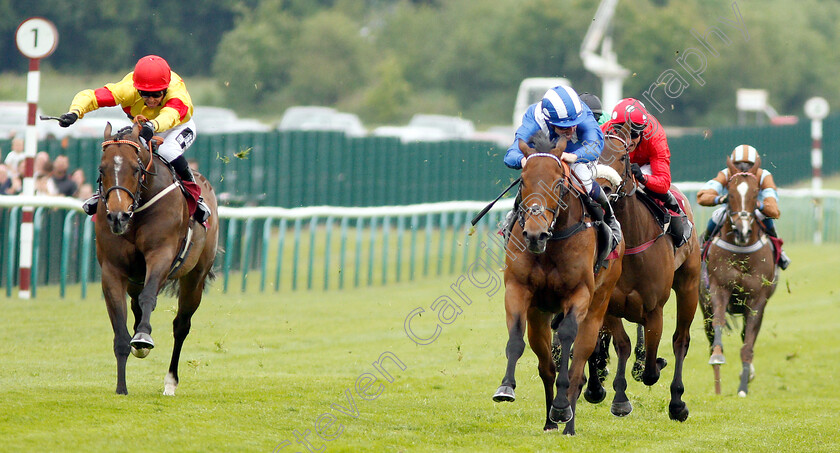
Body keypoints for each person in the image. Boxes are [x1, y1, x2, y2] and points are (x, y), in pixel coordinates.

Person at [57, 55, 210, 223]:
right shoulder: (126, 89)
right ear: (137, 89)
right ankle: (102, 195)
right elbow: (92, 97)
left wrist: (152, 126)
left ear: (165, 90)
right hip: (146, 127)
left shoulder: (177, 92)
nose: (151, 100)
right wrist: (75, 112)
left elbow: (170, 115)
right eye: (145, 94)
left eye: (156, 94)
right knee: (125, 152)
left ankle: (195, 196)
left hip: (178, 127)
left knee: (168, 151)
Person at [503, 85, 621, 258]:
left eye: (574, 125)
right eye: (564, 127)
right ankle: (512, 218)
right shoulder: (534, 117)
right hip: (543, 155)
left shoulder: (583, 113)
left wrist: (572, 156)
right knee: (531, 182)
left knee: (584, 179)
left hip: (576, 154)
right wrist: (525, 160)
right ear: (549, 121)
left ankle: (609, 218)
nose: (571, 130)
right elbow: (510, 154)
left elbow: (595, 145)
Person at [600, 97, 691, 246]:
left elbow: (663, 183)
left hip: (644, 167)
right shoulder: (605, 131)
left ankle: (675, 210)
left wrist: (643, 178)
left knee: (644, 186)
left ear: (643, 130)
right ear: (613, 127)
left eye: (634, 134)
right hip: (617, 163)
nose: (628, 141)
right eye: (620, 132)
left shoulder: (655, 135)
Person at [696, 144, 791, 270]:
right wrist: (720, 199)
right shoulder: (726, 174)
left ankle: (779, 251)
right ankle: (702, 247)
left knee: (766, 217)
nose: (743, 169)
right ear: (733, 165)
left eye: (748, 165)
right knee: (718, 214)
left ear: (755, 166)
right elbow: (702, 196)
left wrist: (758, 205)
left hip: (755, 211)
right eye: (739, 164)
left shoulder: (764, 176)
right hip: (733, 210)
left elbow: (774, 210)